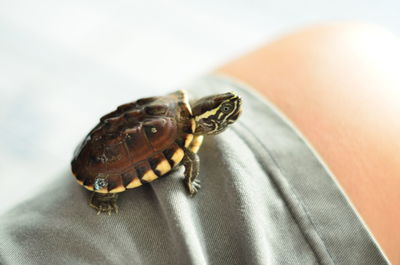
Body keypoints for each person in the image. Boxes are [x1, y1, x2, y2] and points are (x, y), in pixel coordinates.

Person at [0, 23, 395, 264]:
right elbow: (187, 159)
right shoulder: (187, 142)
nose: (228, 113)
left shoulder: (180, 110)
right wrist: (190, 182)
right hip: (107, 162)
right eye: (224, 113)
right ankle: (104, 192)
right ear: (209, 120)